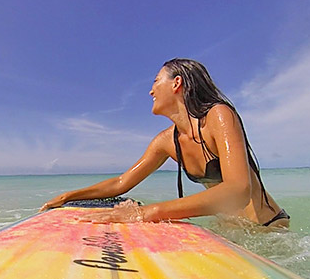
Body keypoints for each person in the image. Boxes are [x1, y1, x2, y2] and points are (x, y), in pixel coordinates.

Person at [41, 58, 290, 228]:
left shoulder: (218, 116)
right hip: (232, 232)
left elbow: (238, 190)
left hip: (268, 230)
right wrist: (68, 196)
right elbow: (120, 183)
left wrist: (145, 213)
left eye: (156, 81)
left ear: (177, 83)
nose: (151, 91)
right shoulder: (165, 141)